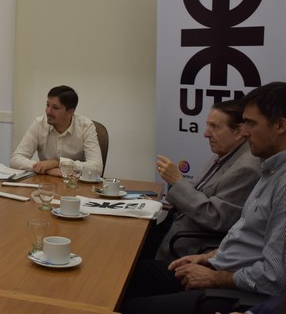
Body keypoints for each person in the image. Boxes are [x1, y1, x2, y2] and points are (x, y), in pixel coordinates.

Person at [120, 82, 286, 314]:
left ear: (279, 126)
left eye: (251, 123)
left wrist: (216, 277)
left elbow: (274, 277)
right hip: (214, 264)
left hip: (233, 290)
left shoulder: (275, 180)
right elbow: (244, 236)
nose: (246, 131)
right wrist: (207, 258)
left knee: (126, 305)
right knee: (121, 275)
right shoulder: (269, 168)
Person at [141, 100, 261, 260]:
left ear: (239, 131)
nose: (206, 133)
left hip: (189, 247)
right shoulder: (225, 152)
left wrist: (177, 181)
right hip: (174, 227)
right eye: (208, 125)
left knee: (130, 266)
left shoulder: (247, 168)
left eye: (215, 127)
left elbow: (215, 218)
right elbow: (200, 190)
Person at [10, 85, 103, 177]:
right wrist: (47, 169)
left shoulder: (86, 127)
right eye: (47, 105)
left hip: (75, 184)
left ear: (70, 112)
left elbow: (96, 168)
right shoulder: (39, 124)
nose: (48, 112)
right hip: (45, 183)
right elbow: (15, 159)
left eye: (55, 108)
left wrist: (58, 163)